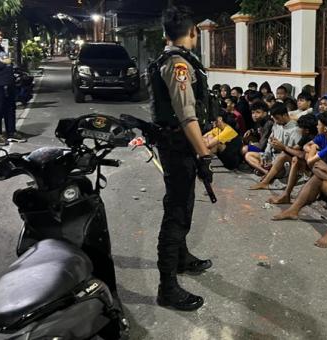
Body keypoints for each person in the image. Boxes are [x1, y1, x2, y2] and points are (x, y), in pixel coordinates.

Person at [149, 6, 215, 311]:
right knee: (177, 212)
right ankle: (167, 287)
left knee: (182, 204)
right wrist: (203, 153)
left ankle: (181, 258)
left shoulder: (172, 59)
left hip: (176, 144)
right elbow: (187, 115)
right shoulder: (178, 65)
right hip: (178, 146)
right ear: (194, 32)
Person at [264, 111, 327, 199]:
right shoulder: (322, 136)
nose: (317, 127)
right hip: (319, 167)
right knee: (296, 160)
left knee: (313, 164)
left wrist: (313, 148)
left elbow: (310, 160)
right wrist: (313, 149)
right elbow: (305, 146)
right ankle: (286, 194)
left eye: (319, 125)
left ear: (325, 128)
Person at [245, 102, 300, 177]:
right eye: (274, 118)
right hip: (271, 157)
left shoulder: (295, 129)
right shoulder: (276, 125)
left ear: (284, 115)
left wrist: (282, 147)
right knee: (248, 155)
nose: (276, 121)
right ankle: (266, 172)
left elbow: (296, 152)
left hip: (283, 160)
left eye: (277, 118)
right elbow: (269, 142)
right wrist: (265, 157)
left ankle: (267, 171)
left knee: (280, 169)